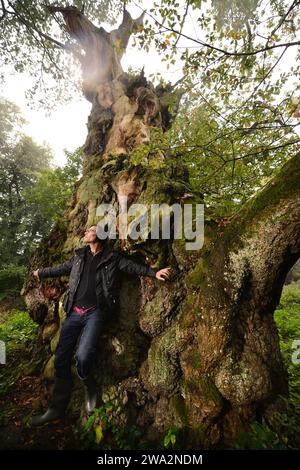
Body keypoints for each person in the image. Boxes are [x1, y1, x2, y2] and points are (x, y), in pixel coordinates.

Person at [31, 224, 171, 425]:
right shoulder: (79, 256)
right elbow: (61, 268)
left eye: (91, 229)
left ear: (101, 235)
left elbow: (133, 267)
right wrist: (41, 272)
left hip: (95, 314)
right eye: (87, 229)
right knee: (61, 359)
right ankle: (56, 408)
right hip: (73, 314)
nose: (85, 232)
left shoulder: (112, 258)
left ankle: (90, 388)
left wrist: (154, 272)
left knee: (83, 355)